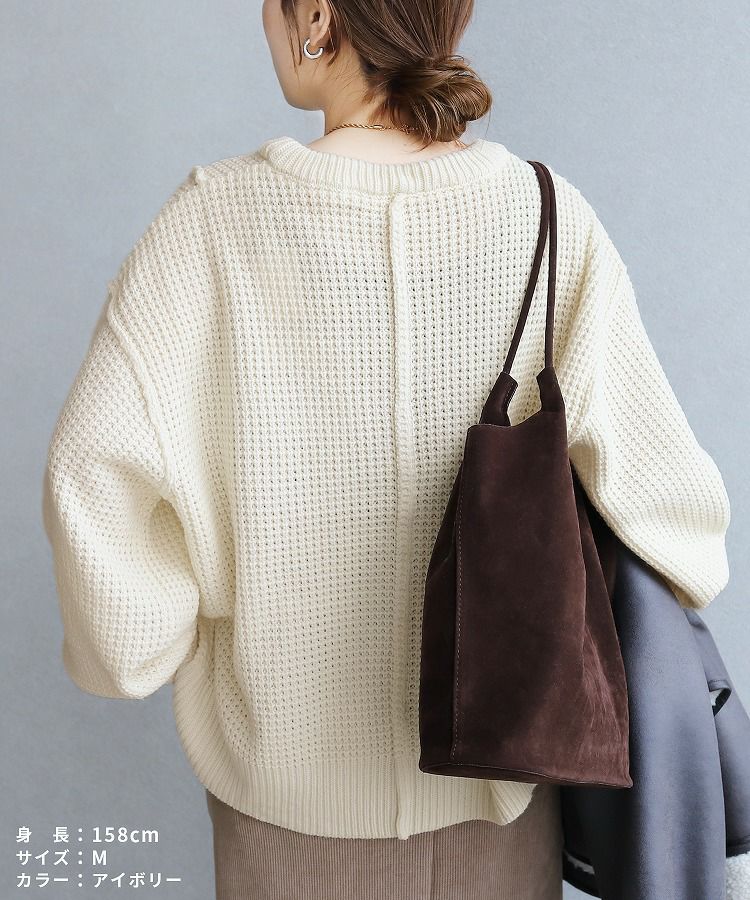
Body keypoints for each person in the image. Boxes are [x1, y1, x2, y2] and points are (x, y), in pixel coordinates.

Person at [41, 0, 732, 897]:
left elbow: (95, 482)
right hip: (498, 787)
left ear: (317, 15)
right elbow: (675, 515)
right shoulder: (547, 216)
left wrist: (147, 638)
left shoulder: (211, 224)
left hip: (285, 815)